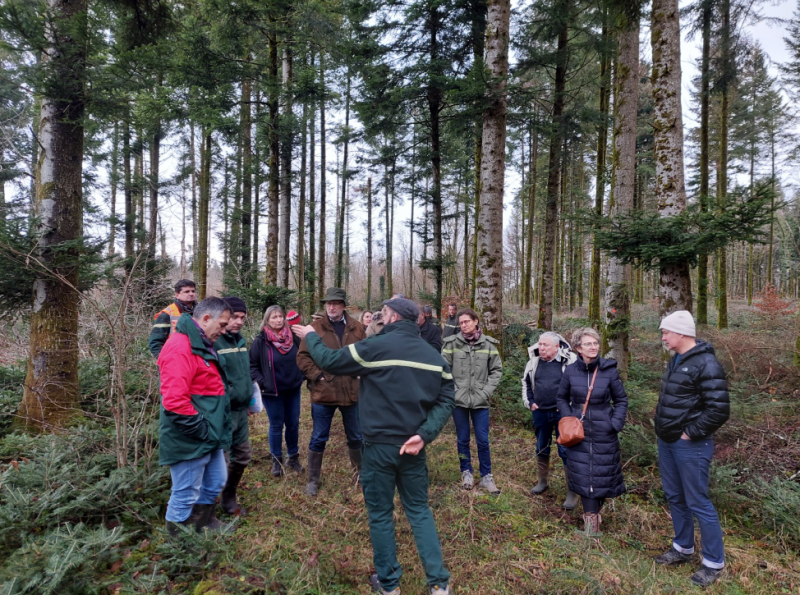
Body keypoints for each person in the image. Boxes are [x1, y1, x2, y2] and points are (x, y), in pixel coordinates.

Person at [293, 297, 455, 595]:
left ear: (393, 318)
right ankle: (439, 584)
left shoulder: (375, 347)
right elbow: (447, 398)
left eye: (385, 313)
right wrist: (425, 434)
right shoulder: (433, 356)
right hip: (413, 446)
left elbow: (330, 361)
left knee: (380, 513)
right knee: (419, 510)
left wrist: (311, 336)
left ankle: (389, 584)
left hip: (379, 447)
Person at [654, 311, 730, 587]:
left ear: (682, 333)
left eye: (666, 333)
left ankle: (713, 563)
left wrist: (690, 433)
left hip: (691, 446)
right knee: (675, 496)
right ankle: (683, 547)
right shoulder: (676, 360)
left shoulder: (706, 363)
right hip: (668, 441)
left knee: (698, 501)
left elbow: (719, 409)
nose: (663, 337)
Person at [157, 297, 232, 536]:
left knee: (216, 481)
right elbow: (175, 401)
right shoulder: (180, 347)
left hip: (209, 433)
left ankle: (204, 524)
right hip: (191, 436)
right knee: (186, 491)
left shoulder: (202, 343)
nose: (224, 330)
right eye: (222, 324)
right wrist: (203, 431)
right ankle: (178, 547)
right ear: (206, 319)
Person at [556, 327, 628, 535]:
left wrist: (615, 423)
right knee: (584, 474)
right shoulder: (570, 371)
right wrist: (569, 417)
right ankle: (591, 528)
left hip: (604, 430)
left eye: (596, 343)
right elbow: (561, 397)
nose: (593, 347)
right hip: (578, 431)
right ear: (578, 348)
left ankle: (596, 513)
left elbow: (621, 399)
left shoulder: (609, 370)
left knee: (602, 474)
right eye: (588, 344)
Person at [296, 287, 367, 495]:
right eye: (328, 303)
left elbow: (366, 353)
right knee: (319, 436)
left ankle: (360, 475)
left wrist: (360, 372)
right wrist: (318, 375)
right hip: (323, 392)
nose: (331, 306)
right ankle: (313, 480)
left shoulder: (357, 328)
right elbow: (302, 357)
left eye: (335, 303)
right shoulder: (314, 328)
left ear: (344, 305)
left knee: (356, 436)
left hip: (352, 391)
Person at [441, 308, 503, 495]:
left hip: (480, 401)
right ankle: (466, 472)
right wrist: (454, 391)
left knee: (483, 440)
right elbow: (444, 371)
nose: (464, 325)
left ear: (476, 321)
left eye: (467, 321)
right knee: (462, 439)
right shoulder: (451, 344)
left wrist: (485, 392)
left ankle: (486, 477)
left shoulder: (489, 345)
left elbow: (496, 371)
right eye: (461, 323)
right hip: (458, 402)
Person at [521, 331, 578, 508]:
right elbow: (526, 383)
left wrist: (568, 406)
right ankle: (542, 482)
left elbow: (578, 385)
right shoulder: (534, 362)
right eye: (540, 344)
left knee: (566, 450)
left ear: (557, 347)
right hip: (540, 412)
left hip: (563, 414)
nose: (541, 347)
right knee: (541, 447)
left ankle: (572, 492)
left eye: (545, 345)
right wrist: (529, 402)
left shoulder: (570, 361)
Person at [250, 305, 306, 477]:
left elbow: (304, 356)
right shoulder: (261, 341)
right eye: (274, 317)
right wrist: (263, 382)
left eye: (280, 316)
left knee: (293, 424)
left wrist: (301, 376)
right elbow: (252, 366)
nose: (278, 320)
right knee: (276, 426)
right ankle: (277, 461)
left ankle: (293, 457)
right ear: (267, 320)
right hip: (272, 391)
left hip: (293, 389)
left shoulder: (294, 337)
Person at [214, 297, 253, 516]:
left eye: (242, 318)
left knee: (244, 455)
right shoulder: (214, 342)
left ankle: (229, 496)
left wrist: (249, 399)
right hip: (222, 413)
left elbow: (244, 375)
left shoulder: (241, 342)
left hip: (241, 411)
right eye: (234, 317)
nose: (238, 322)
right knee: (220, 461)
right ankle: (208, 506)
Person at [149, 279, 197, 358]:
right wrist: (166, 360)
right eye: (187, 291)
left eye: (193, 291)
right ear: (177, 295)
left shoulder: (201, 312)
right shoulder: (166, 314)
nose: (191, 294)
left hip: (197, 360)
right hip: (176, 360)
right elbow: (155, 343)